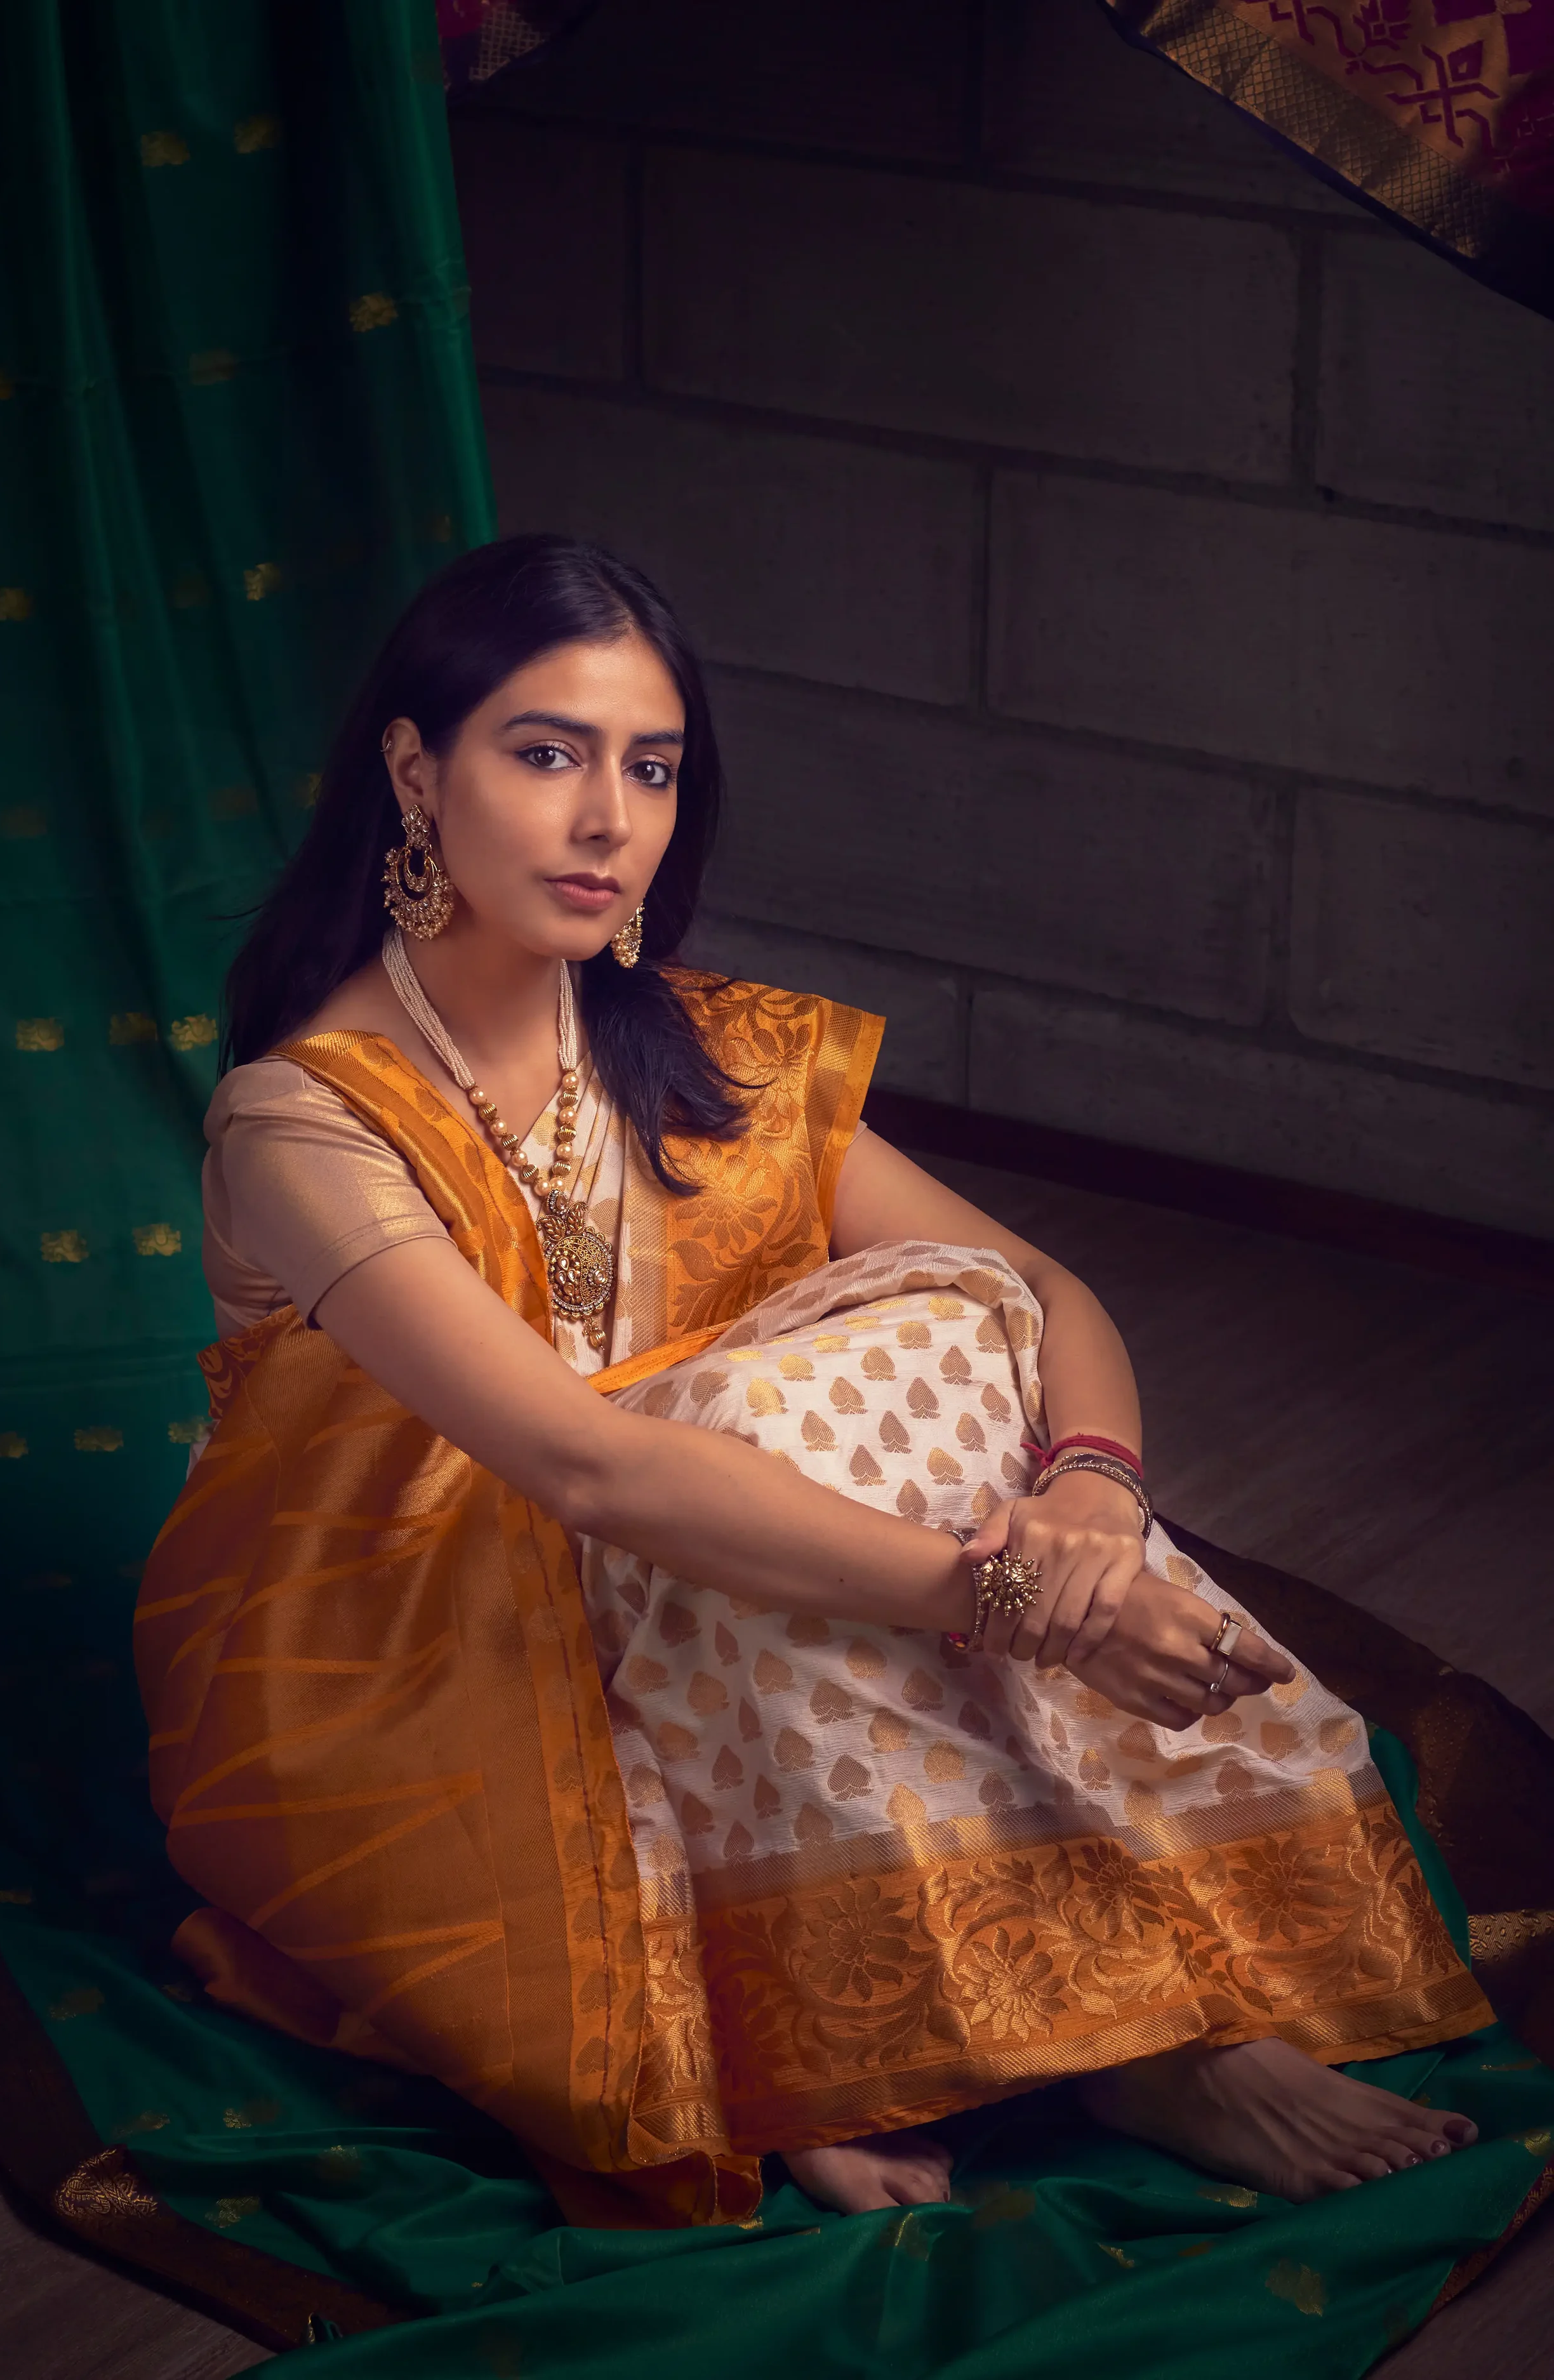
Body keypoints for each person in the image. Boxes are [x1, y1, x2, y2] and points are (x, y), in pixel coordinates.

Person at [136, 534, 1486, 2234]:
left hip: (661, 1574)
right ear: (416, 769)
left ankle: (871, 2025)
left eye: (652, 767)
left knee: (933, 1320)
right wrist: (1019, 1600)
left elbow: (1037, 1291)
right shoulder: (305, 1117)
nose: (607, 820)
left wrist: (1087, 1499)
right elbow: (586, 1468)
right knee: (734, 1438)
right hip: (388, 1652)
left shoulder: (699, 1057)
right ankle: (1063, 2045)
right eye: (543, 752)